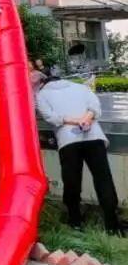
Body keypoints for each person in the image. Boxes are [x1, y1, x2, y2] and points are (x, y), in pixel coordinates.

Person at [36, 72, 123, 234]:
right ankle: (112, 225)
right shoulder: (80, 87)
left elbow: (50, 117)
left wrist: (75, 121)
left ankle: (75, 221)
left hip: (68, 141)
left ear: (43, 83)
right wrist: (86, 119)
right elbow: (95, 107)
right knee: (103, 179)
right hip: (94, 137)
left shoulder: (42, 94)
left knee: (72, 182)